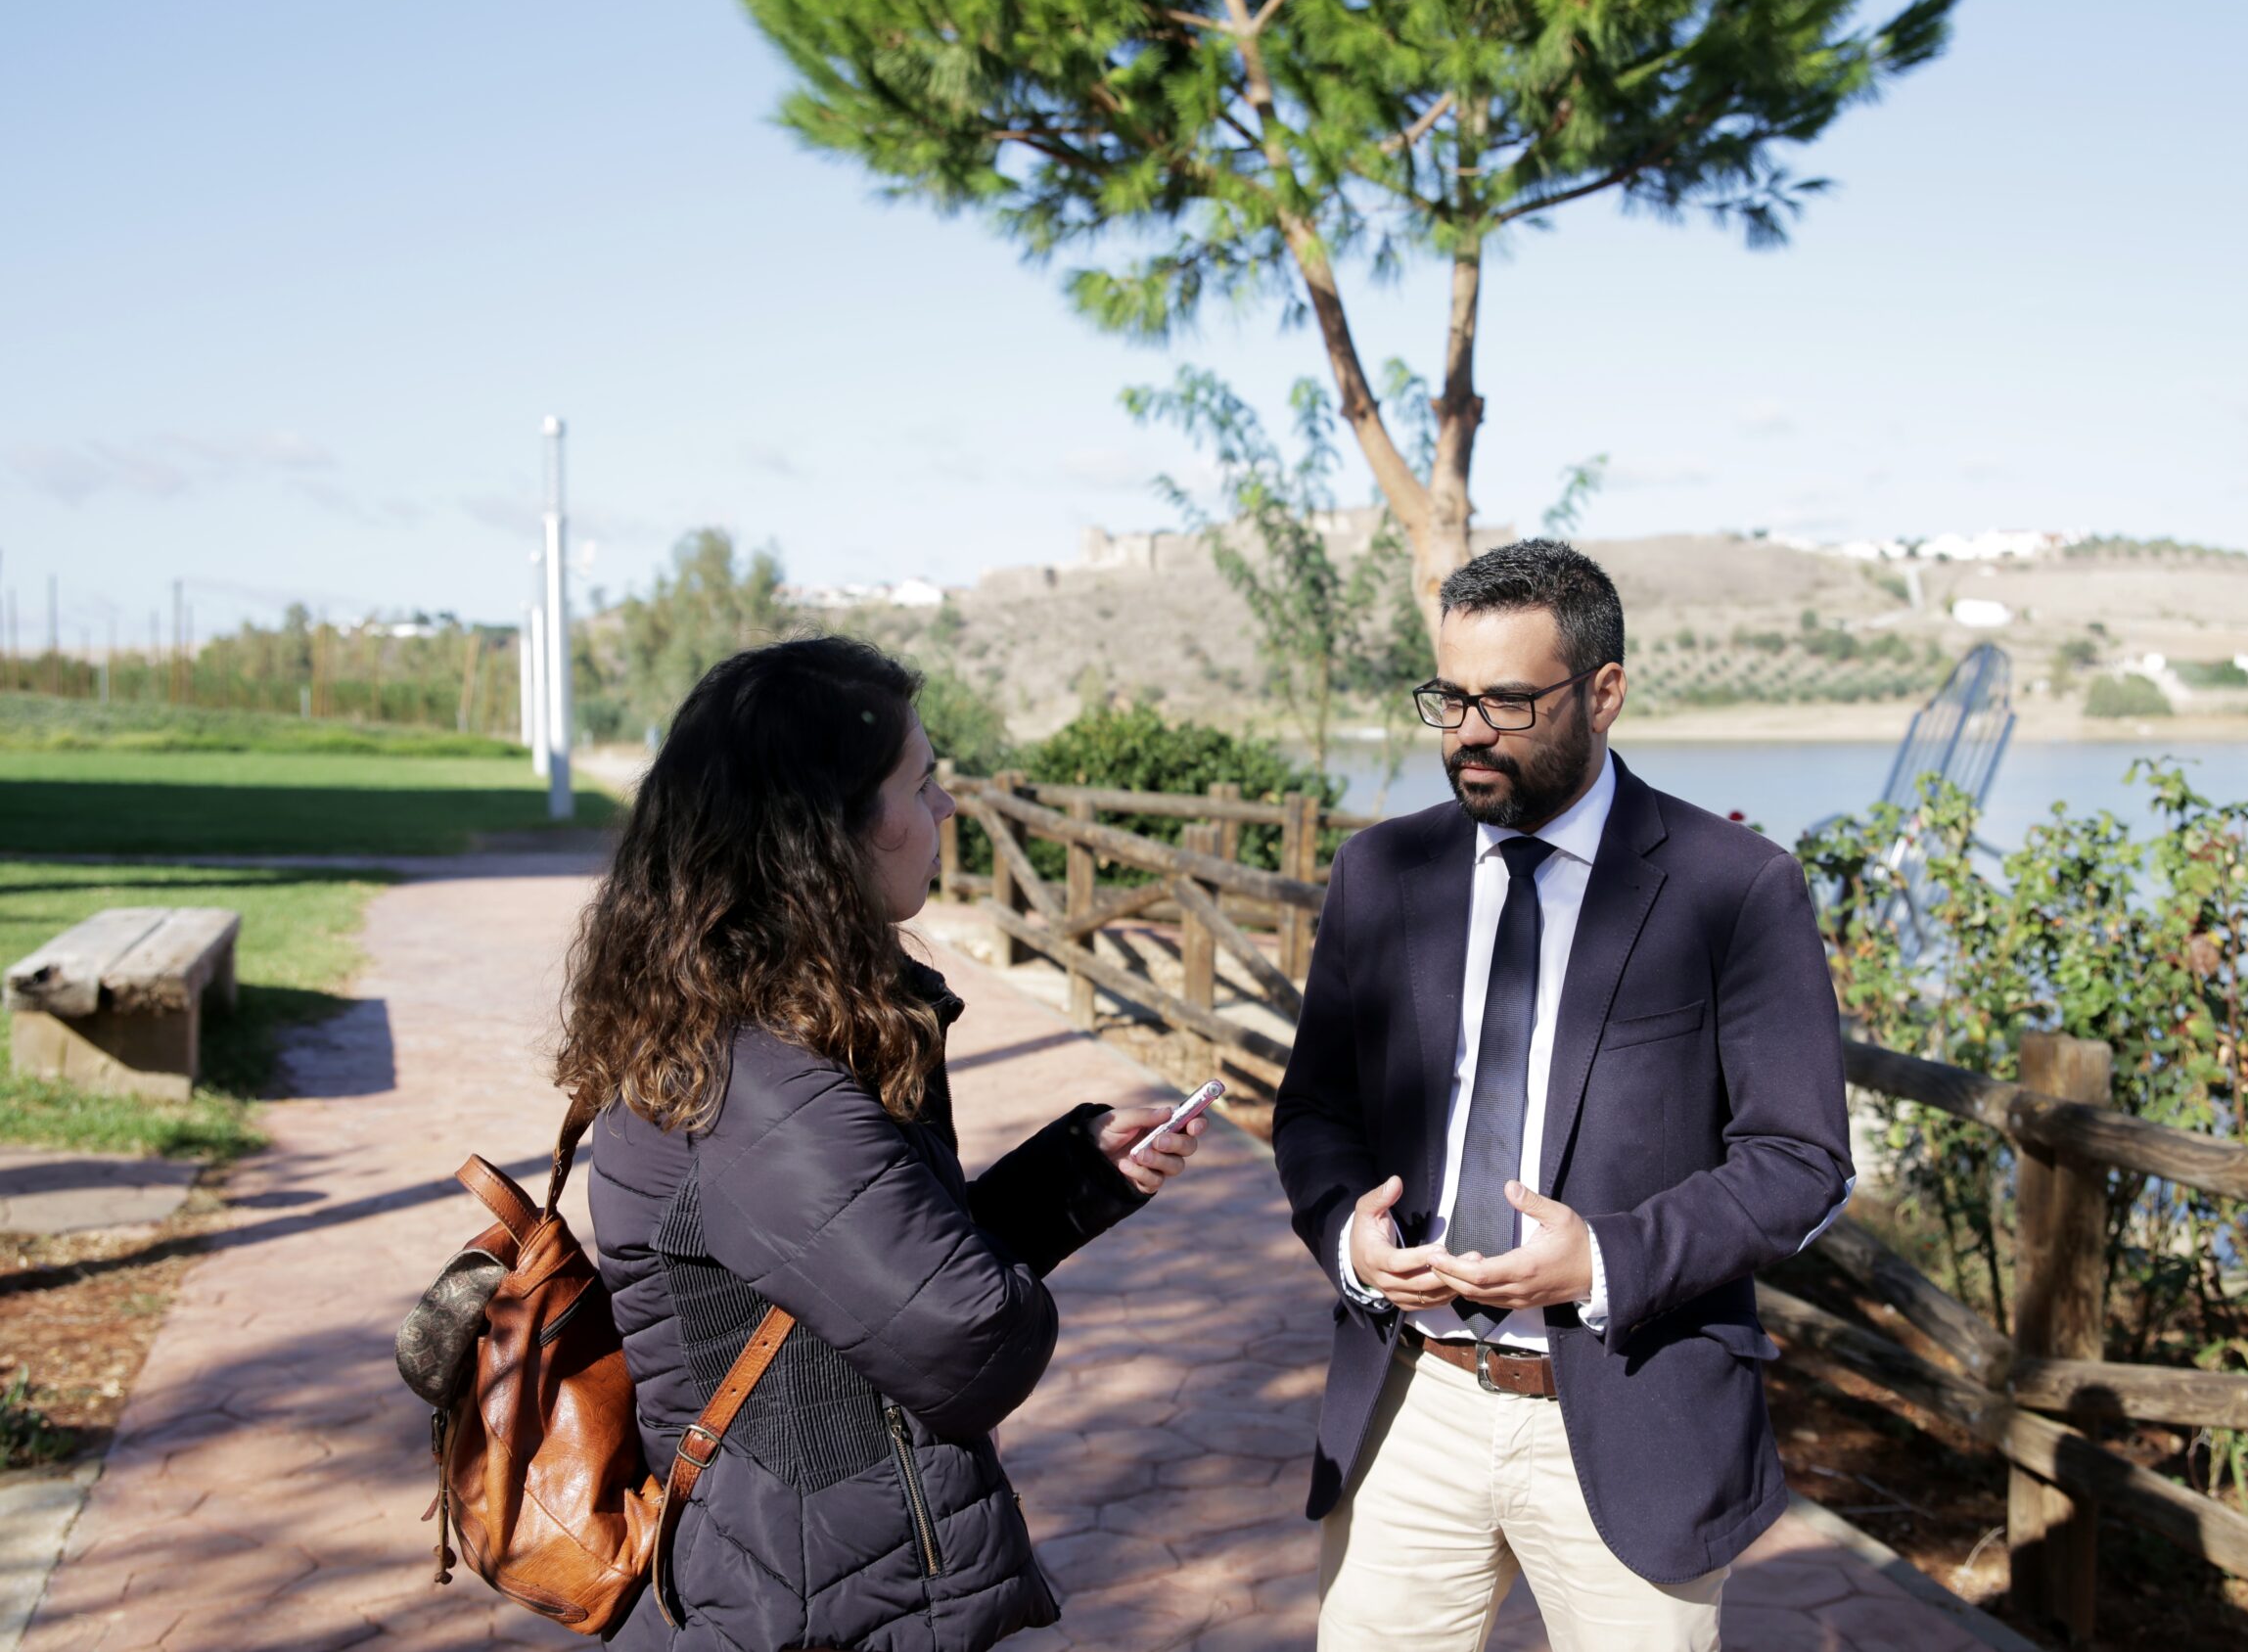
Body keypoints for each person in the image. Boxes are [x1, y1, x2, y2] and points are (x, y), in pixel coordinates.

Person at [560, 635, 1207, 1652]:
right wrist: (1005, 1299)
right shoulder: (754, 1077)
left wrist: (1073, 1180)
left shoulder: (766, 1028)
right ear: (824, 832)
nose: (944, 807)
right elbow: (966, 1340)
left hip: (832, 1578)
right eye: (921, 781)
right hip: (808, 1605)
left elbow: (853, 1279)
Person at [1272, 541, 1855, 1651]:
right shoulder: (1379, 872)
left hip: (1639, 1418)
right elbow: (1313, 1111)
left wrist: (1604, 1261)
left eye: (1506, 701)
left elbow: (1800, 1160)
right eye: (1449, 698)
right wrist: (1348, 1236)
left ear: (1604, 692)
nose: (1468, 731)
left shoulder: (1736, 888)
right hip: (1411, 1404)